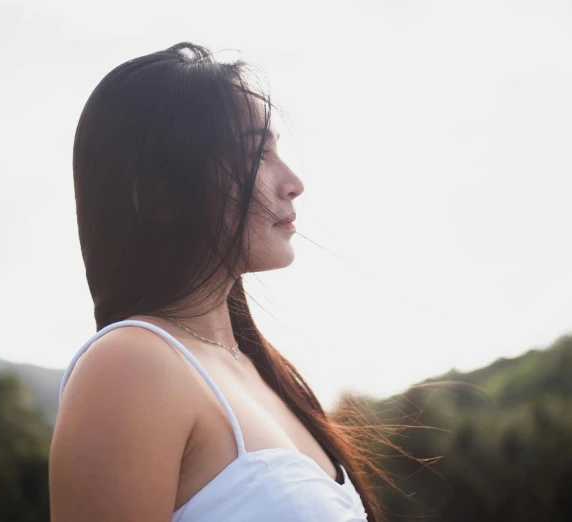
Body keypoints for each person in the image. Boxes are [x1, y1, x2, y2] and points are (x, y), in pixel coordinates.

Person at [49, 42, 378, 521]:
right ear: (160, 193)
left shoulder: (262, 370)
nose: (292, 181)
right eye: (255, 154)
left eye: (277, 149)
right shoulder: (130, 365)